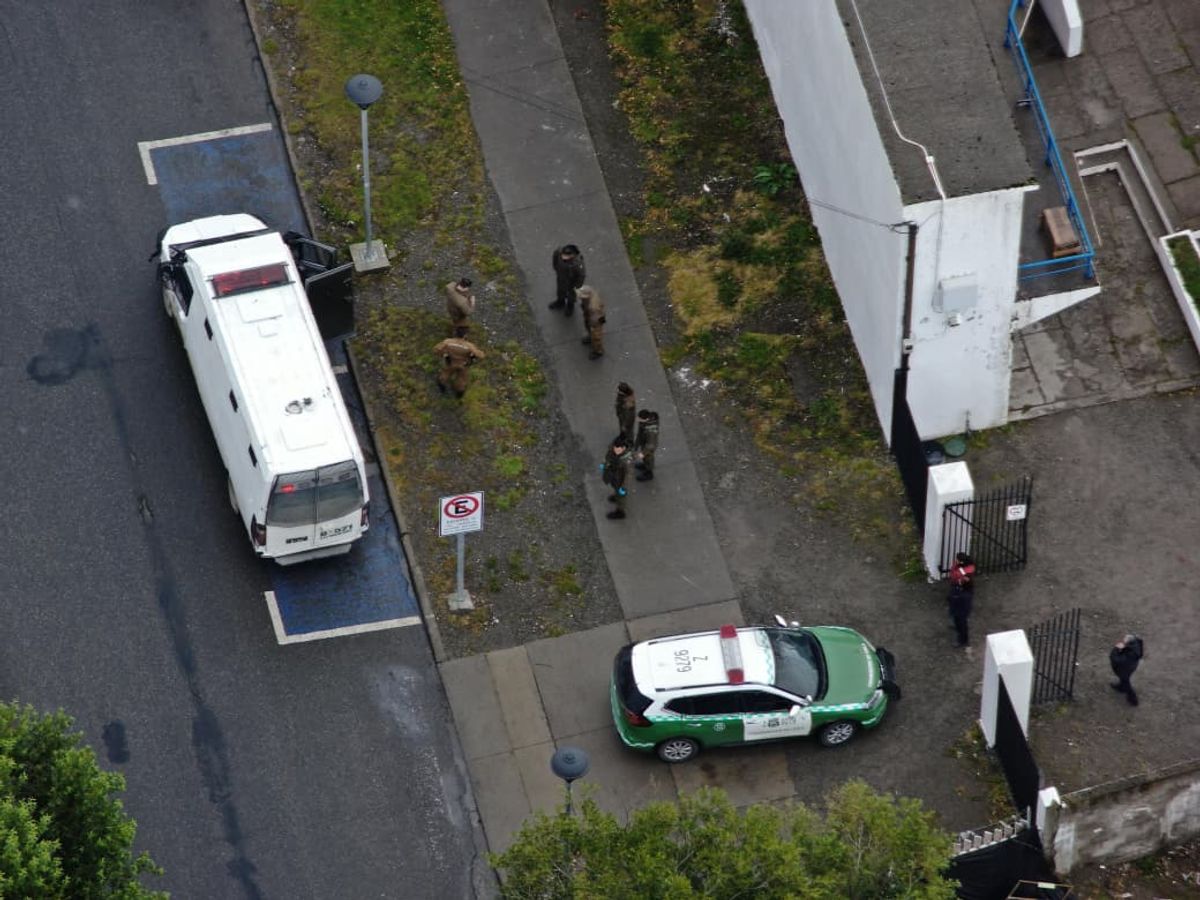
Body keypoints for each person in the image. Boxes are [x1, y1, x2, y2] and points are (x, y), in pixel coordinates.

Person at [601, 435, 633, 520]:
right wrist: (605, 464)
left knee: (621, 495)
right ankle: (616, 495)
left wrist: (623, 487)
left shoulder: (627, 461)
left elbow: (628, 475)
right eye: (615, 448)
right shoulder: (613, 450)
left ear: (624, 448)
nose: (616, 450)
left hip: (621, 478)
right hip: (614, 474)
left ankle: (620, 511)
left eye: (618, 449)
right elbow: (608, 456)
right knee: (615, 486)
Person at [549, 244, 586, 316]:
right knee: (560, 290)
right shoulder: (559, 252)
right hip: (561, 277)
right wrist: (556, 269)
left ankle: (570, 306)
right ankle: (560, 302)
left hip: (572, 281)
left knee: (571, 295)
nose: (563, 257)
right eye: (563, 255)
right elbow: (555, 258)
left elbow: (581, 276)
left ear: (572, 255)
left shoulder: (578, 263)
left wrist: (577, 286)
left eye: (566, 256)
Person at [1110, 634, 1144, 706]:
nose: (1123, 641)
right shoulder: (1136, 645)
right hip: (1130, 666)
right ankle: (1121, 687)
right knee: (1124, 680)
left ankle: (1133, 700)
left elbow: (1116, 659)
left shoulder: (1130, 653)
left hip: (1126, 669)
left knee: (1126, 682)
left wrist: (1116, 649)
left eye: (1124, 640)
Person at [577, 285, 605, 359]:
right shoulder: (590, 294)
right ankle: (590, 336)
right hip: (590, 315)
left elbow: (596, 319)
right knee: (588, 326)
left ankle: (598, 351)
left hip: (595, 320)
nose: (579, 297)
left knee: (596, 335)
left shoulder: (593, 306)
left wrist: (593, 326)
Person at [634, 409, 659, 481]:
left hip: (649, 447)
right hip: (645, 442)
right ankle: (645, 465)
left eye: (639, 418)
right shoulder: (644, 423)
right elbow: (640, 434)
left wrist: (642, 453)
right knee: (645, 458)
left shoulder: (651, 432)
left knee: (648, 458)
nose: (637, 419)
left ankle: (649, 473)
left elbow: (651, 445)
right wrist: (636, 445)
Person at [948, 580, 973, 648]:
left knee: (962, 625)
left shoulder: (965, 595)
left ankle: (963, 641)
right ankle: (958, 630)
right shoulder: (958, 588)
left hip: (961, 611)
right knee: (957, 621)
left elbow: (966, 606)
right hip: (956, 607)